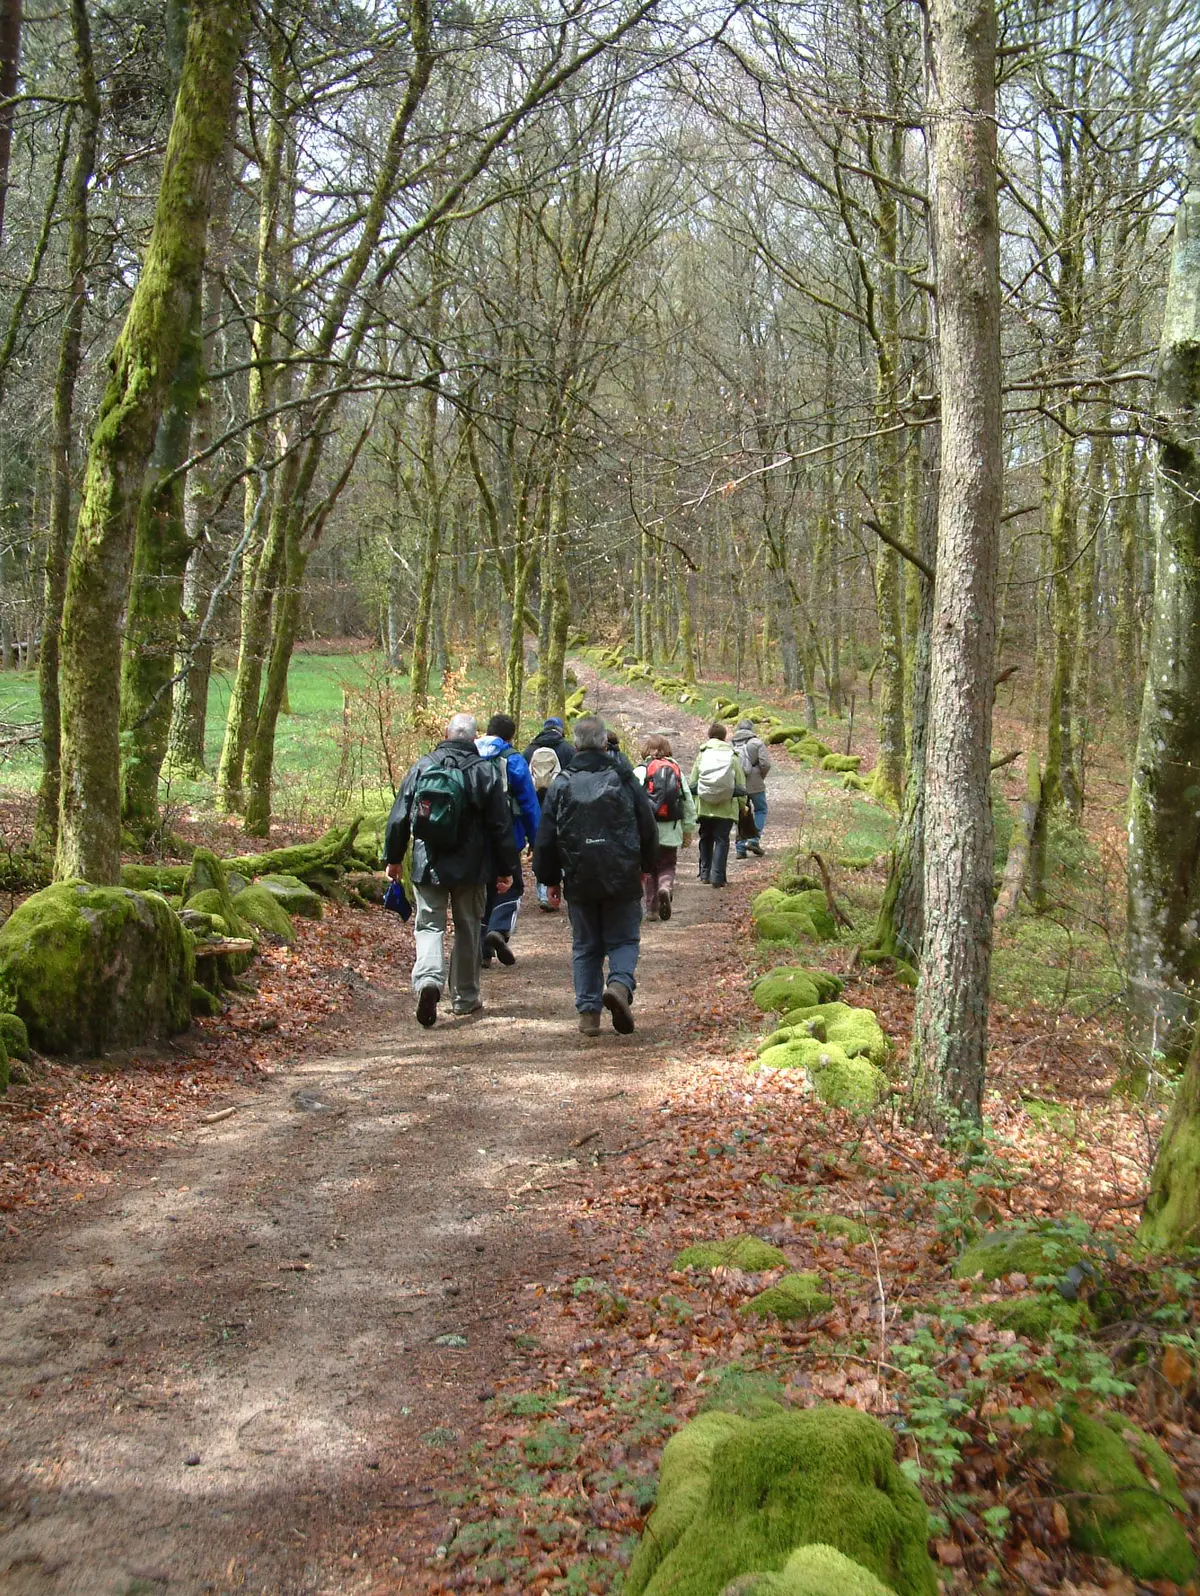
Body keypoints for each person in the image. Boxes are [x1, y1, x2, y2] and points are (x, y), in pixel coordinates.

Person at [385, 712, 518, 1027]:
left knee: (429, 925)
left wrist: (393, 858)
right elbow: (501, 826)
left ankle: (429, 981)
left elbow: (400, 814)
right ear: (474, 739)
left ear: (446, 734)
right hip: (471, 869)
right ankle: (465, 998)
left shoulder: (423, 765)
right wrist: (505, 869)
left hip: (427, 862)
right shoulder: (485, 772)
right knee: (468, 928)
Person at [533, 714, 658, 1035]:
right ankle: (618, 985)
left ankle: (589, 1014)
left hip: (579, 877)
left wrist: (549, 879)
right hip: (622, 874)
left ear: (574, 744)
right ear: (605, 742)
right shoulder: (625, 777)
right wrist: (647, 866)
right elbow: (647, 824)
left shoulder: (562, 783)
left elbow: (545, 836)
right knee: (624, 939)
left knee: (586, 947)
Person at [475, 712, 541, 968]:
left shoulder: (469, 753)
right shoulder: (513, 760)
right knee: (511, 887)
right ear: (510, 736)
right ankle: (499, 929)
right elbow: (528, 803)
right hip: (508, 836)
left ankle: (481, 950)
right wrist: (536, 840)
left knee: (481, 890)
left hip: (473, 841)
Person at [634, 734, 696, 921]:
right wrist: (688, 829)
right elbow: (688, 801)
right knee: (667, 864)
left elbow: (629, 799)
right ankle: (665, 887)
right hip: (672, 827)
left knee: (649, 868)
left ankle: (651, 910)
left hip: (647, 830)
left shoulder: (641, 771)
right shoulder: (676, 769)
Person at [523, 716, 575, 910]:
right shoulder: (568, 750)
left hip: (536, 806)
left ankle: (544, 892)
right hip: (562, 805)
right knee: (562, 845)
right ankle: (561, 887)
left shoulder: (529, 750)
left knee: (541, 845)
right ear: (560, 730)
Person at [690, 721, 746, 889]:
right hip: (726, 807)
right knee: (722, 840)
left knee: (705, 838)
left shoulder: (702, 754)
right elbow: (741, 785)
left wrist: (695, 806)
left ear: (709, 736)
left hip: (705, 805)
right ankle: (718, 877)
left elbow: (693, 782)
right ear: (724, 737)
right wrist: (742, 807)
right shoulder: (732, 755)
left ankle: (705, 874)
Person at [731, 718, 772, 858]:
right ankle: (754, 839)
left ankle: (740, 848)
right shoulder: (756, 743)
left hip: (738, 785)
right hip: (755, 784)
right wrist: (760, 775)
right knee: (761, 809)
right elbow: (765, 764)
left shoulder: (730, 744)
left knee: (741, 814)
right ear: (751, 729)